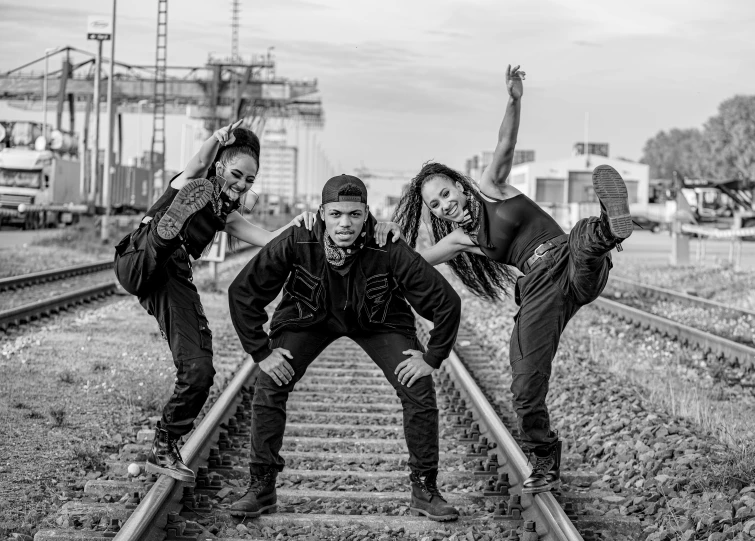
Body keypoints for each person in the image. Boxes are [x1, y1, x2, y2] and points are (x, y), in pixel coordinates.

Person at [392, 65, 633, 494]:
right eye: (435, 204)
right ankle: (544, 458)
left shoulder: (491, 187)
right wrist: (385, 245)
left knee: (582, 238)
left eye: (447, 193)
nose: (444, 204)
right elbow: (414, 262)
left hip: (568, 259)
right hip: (539, 290)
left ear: (461, 187)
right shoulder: (461, 240)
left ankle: (610, 227)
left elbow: (506, 142)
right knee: (523, 382)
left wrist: (514, 99)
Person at [227, 174, 462, 521]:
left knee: (418, 387)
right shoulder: (299, 238)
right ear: (322, 213)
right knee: (270, 382)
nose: (345, 223)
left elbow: (446, 302)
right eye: (336, 214)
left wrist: (432, 357)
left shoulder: (387, 245)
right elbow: (242, 293)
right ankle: (261, 487)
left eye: (354, 214)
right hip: (310, 319)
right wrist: (262, 352)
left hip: (378, 321)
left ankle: (424, 489)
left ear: (366, 214)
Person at [114, 121, 319, 482]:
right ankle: (167, 230)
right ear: (221, 164)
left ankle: (164, 445)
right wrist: (215, 139)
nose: (242, 184)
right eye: (236, 174)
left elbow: (268, 238)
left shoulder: (226, 214)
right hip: (140, 254)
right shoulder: (191, 180)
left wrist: (298, 225)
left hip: (168, 278)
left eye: (249, 181)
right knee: (185, 200)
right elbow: (198, 162)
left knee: (199, 370)